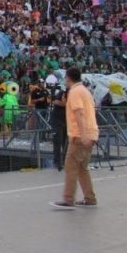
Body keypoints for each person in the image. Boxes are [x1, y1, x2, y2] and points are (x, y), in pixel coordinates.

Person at [50, 67, 99, 209]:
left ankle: (68, 199)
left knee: (70, 166)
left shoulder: (75, 92)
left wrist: (83, 134)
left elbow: (79, 114)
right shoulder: (85, 91)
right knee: (83, 168)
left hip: (79, 135)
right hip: (91, 133)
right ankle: (90, 198)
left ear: (68, 78)